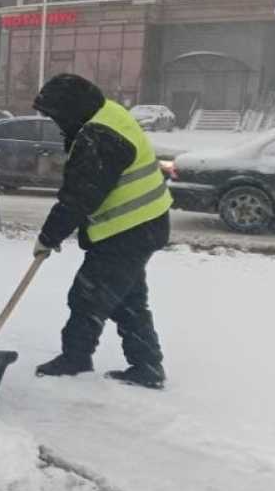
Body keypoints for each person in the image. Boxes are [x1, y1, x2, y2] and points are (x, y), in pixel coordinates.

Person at [31, 74, 172, 389]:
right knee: (127, 300)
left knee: (87, 296)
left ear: (71, 110)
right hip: (143, 226)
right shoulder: (108, 114)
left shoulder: (101, 137)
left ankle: (75, 359)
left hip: (128, 231)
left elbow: (79, 197)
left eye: (56, 116)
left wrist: (48, 237)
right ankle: (147, 366)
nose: (56, 124)